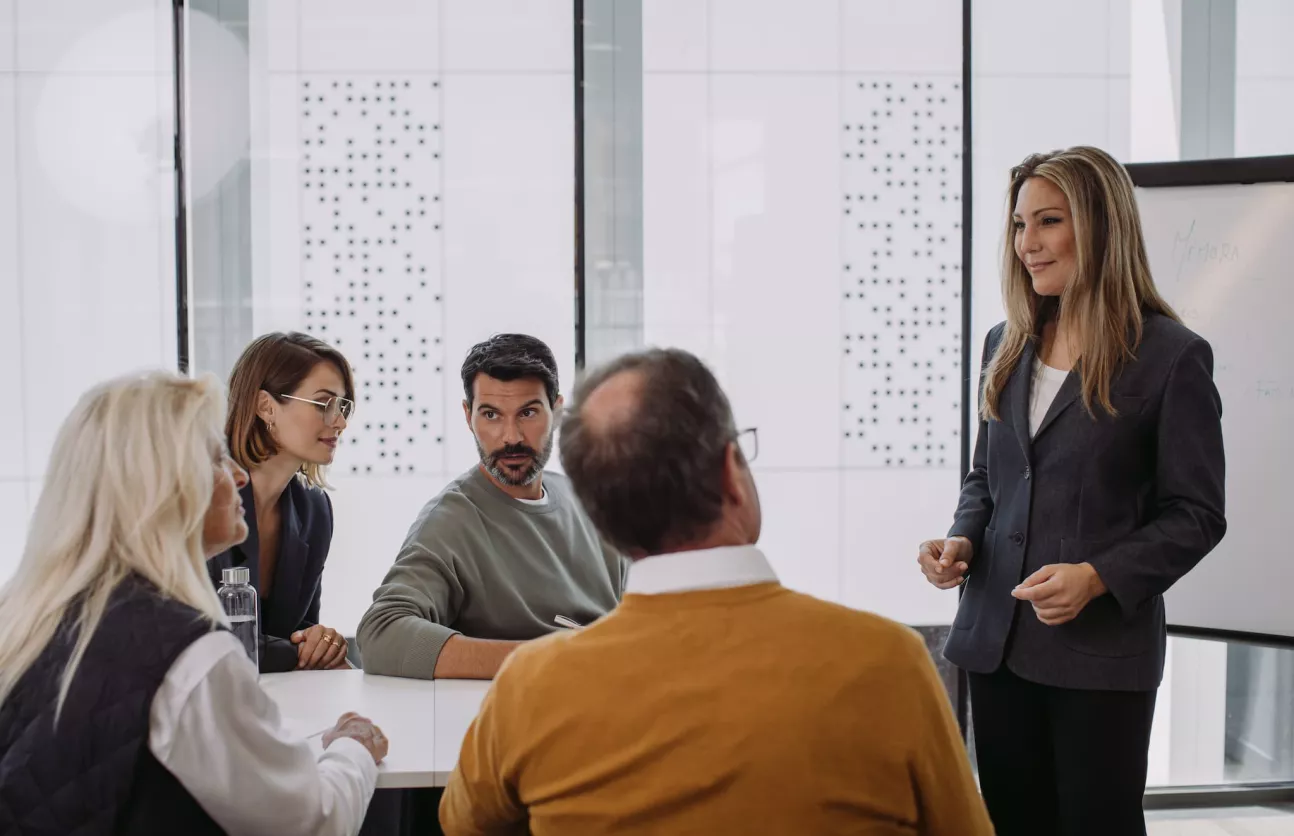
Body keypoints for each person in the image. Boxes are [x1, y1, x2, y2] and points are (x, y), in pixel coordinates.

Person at [440, 348, 993, 835]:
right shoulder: (886, 662)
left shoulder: (529, 688)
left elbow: (462, 823)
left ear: (600, 516)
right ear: (732, 470)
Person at [917, 146, 1227, 835]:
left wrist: (1097, 576)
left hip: (1100, 658)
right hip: (994, 642)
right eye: (1020, 225)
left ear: (1100, 226)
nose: (1028, 244)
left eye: (1048, 222)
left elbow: (1198, 514)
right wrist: (962, 539)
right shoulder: (1005, 342)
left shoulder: (1172, 357)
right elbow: (985, 477)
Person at [0, 371, 387, 836]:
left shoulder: (31, 617)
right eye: (217, 459)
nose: (239, 474)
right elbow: (313, 823)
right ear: (162, 485)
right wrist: (352, 747)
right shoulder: (188, 655)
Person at [358, 334, 626, 680]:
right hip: (518, 717)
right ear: (469, 416)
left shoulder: (590, 503)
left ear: (557, 412)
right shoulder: (452, 521)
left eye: (527, 413)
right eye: (491, 415)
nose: (511, 436)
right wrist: (545, 659)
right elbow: (381, 634)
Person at [208, 331, 356, 672]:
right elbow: (210, 638)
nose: (341, 421)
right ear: (266, 406)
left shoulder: (314, 509)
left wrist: (323, 643)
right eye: (324, 404)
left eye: (343, 405)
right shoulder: (203, 492)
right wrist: (299, 653)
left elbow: (301, 631)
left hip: (273, 701)